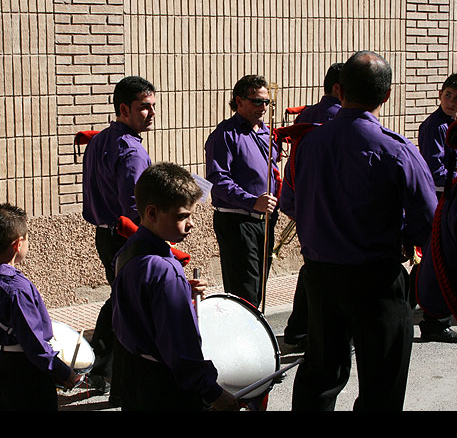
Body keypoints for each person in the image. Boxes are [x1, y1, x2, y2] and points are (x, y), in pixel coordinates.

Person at [280, 51, 437, 411]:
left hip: (320, 277)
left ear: (340, 89)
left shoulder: (308, 145)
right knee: (383, 380)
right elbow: (427, 220)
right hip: (376, 279)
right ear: (387, 95)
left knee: (320, 373)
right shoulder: (396, 149)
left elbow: (290, 203)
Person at [111, 162, 239, 411]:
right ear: (152, 213)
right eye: (182, 216)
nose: (191, 224)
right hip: (164, 384)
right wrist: (213, 392)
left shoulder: (128, 250)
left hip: (133, 372)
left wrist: (182, 292)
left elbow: (139, 304)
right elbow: (180, 347)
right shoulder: (165, 271)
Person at [81, 76, 155, 400]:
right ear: (124, 109)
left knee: (120, 302)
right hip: (125, 236)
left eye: (153, 106)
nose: (151, 113)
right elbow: (135, 208)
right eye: (144, 107)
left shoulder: (98, 140)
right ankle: (115, 380)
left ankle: (102, 371)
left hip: (105, 234)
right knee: (129, 310)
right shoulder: (132, 151)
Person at [0, 203, 79, 410]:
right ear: (18, 244)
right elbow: (34, 343)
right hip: (23, 367)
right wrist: (63, 372)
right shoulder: (17, 289)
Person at [205, 74, 279, 310]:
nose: (264, 107)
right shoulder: (225, 134)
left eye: (267, 102)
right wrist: (251, 201)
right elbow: (218, 179)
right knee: (244, 288)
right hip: (237, 220)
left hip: (265, 220)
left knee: (259, 286)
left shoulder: (267, 134)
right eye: (257, 101)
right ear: (239, 101)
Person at [284, 62, 343, 349]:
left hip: (304, 203)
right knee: (325, 273)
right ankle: (313, 332)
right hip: (326, 207)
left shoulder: (309, 113)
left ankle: (298, 329)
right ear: (338, 89)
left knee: (313, 268)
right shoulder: (337, 119)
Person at [416, 72, 457, 343]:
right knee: (439, 260)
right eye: (447, 95)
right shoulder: (435, 126)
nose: (451, 101)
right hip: (440, 199)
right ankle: (435, 321)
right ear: (440, 95)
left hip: (453, 198)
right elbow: (435, 169)